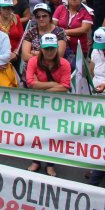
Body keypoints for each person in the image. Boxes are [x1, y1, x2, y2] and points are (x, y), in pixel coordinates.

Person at [25, 33, 70, 177]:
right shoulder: (33, 61)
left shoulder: (65, 64)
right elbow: (30, 83)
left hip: (57, 105)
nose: (49, 52)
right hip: (38, 104)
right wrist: (52, 84)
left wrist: (41, 86)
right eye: (46, 49)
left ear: (57, 48)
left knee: (54, 134)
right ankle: (36, 161)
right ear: (42, 49)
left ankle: (50, 164)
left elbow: (65, 86)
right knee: (36, 132)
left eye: (52, 48)